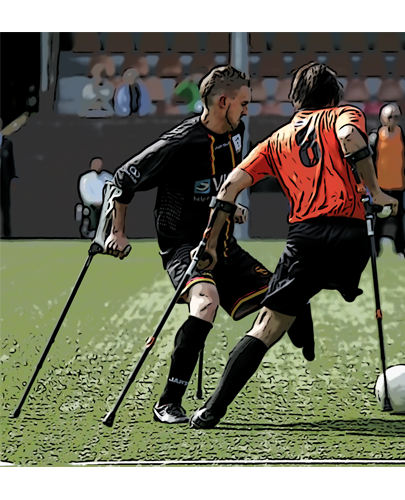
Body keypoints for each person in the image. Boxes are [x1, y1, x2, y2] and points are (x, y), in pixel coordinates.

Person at [188, 62, 398, 430]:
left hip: (305, 241)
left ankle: (212, 410)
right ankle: (323, 293)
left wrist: (209, 243)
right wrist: (376, 191)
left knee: (265, 328)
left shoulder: (276, 141)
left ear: (296, 100)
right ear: (333, 96)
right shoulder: (343, 114)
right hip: (349, 238)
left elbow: (228, 189)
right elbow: (351, 139)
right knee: (344, 284)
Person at [104, 65, 315, 425]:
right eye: (244, 103)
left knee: (290, 292)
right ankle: (168, 402)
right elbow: (123, 178)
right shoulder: (180, 143)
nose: (248, 110)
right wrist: (117, 232)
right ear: (223, 102)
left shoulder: (236, 132)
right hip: (184, 247)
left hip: (225, 244)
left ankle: (298, 326)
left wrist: (231, 209)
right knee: (206, 304)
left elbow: (221, 184)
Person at [369, 104, 405, 258]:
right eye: (390, 117)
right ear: (382, 118)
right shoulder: (375, 137)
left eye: (396, 117)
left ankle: (400, 249)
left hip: (398, 186)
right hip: (381, 187)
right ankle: (375, 250)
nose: (393, 120)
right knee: (378, 221)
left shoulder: (402, 137)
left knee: (398, 220)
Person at [77, 158, 114, 238]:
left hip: (105, 203)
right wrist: (95, 202)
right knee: (91, 210)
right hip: (91, 204)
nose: (98, 166)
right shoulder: (85, 178)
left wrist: (105, 201)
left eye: (99, 164)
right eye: (96, 164)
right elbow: (85, 194)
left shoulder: (108, 177)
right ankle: (93, 230)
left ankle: (108, 232)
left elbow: (112, 190)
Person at [0, 117, 18, 239]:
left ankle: (7, 234)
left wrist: (13, 178)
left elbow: (11, 162)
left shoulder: (7, 143)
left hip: (4, 181)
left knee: (5, 208)